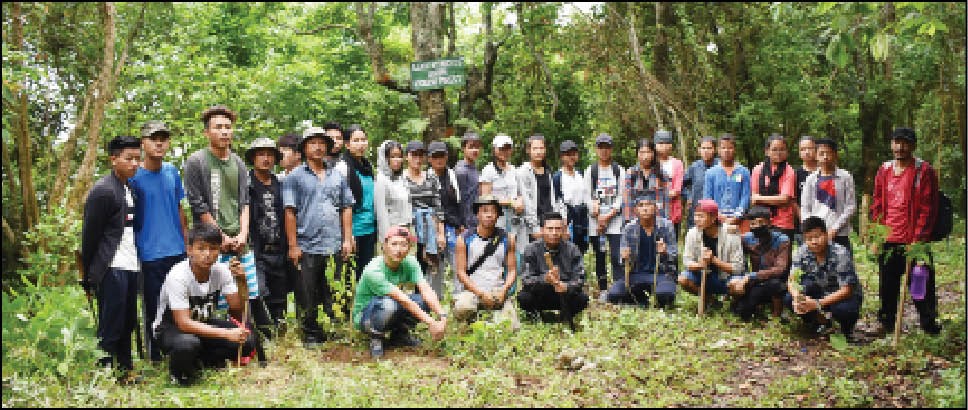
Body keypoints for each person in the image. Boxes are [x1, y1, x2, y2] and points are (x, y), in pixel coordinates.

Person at [152, 223, 257, 386]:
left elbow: (238, 311)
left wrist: (241, 281)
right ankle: (179, 375)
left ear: (219, 250)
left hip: (202, 323)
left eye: (213, 248)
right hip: (171, 328)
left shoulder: (221, 271)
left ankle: (202, 362)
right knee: (188, 344)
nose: (207, 254)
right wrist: (226, 334)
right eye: (201, 249)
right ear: (189, 250)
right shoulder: (178, 275)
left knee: (247, 340)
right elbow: (184, 323)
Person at [283, 129, 355, 347]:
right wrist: (293, 245)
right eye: (312, 143)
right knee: (307, 291)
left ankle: (332, 329)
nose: (318, 147)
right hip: (307, 244)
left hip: (333, 243)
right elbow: (289, 212)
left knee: (332, 288)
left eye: (322, 143)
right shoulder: (295, 177)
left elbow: (346, 206)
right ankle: (310, 334)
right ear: (304, 148)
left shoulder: (337, 175)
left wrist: (347, 239)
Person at [182, 105, 257, 315]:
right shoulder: (196, 162)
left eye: (228, 127)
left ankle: (245, 336)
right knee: (215, 303)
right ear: (206, 132)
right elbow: (198, 204)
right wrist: (220, 237)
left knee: (245, 298)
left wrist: (243, 234)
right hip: (211, 244)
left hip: (240, 243)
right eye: (218, 127)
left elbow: (245, 202)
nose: (224, 132)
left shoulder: (238, 162)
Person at [81, 136, 142, 383]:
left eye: (137, 159)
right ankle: (104, 374)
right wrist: (89, 275)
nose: (134, 164)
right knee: (111, 323)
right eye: (129, 159)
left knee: (128, 321)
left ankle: (125, 370)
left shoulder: (129, 188)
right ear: (113, 159)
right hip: (111, 265)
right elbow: (89, 236)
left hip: (130, 264)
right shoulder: (103, 191)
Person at [870, 127, 942, 335]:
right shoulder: (884, 170)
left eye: (905, 143)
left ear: (913, 145)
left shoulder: (923, 171)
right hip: (889, 239)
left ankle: (929, 325)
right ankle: (886, 323)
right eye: (897, 142)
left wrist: (918, 240)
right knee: (887, 285)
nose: (900, 147)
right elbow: (877, 204)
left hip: (915, 240)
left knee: (921, 283)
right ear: (891, 144)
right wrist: (877, 236)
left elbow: (928, 208)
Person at [130, 121, 188, 363]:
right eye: (153, 139)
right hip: (149, 253)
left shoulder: (172, 172)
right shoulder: (134, 177)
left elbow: (179, 208)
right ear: (143, 143)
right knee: (153, 307)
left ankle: (180, 349)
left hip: (177, 250)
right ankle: (155, 356)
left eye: (163, 139)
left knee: (180, 303)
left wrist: (187, 243)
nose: (159, 143)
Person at [352, 226, 450, 359]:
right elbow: (404, 300)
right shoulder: (373, 270)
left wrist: (442, 316)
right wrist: (432, 323)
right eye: (394, 244)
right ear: (384, 246)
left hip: (392, 305)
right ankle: (376, 337)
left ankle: (399, 335)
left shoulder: (410, 262)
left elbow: (426, 290)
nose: (398, 249)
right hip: (366, 316)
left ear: (409, 248)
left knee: (423, 301)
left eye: (403, 245)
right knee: (389, 305)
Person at [786, 217, 862, 340]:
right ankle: (819, 322)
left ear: (826, 234)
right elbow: (791, 280)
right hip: (818, 290)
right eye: (809, 238)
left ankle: (846, 330)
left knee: (845, 310)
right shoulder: (801, 252)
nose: (814, 242)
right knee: (789, 298)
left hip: (840, 295)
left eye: (817, 236)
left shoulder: (840, 253)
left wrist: (817, 304)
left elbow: (847, 290)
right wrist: (797, 297)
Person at [452, 195, 519, 328]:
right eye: (485, 211)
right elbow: (461, 272)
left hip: (497, 291)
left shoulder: (507, 239)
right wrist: (480, 293)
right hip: (473, 290)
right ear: (477, 214)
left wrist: (504, 290)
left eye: (493, 211)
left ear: (498, 215)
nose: (489, 215)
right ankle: (471, 321)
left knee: (511, 327)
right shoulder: (464, 239)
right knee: (463, 308)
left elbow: (512, 270)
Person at [245, 137, 288, 336]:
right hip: (257, 249)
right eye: (261, 154)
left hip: (279, 248)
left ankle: (280, 334)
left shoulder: (281, 184)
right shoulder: (246, 185)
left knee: (279, 295)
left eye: (270, 154)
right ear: (253, 158)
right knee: (258, 292)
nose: (266, 158)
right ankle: (263, 334)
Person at [518, 211, 589, 327]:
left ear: (563, 230)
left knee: (582, 299)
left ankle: (566, 315)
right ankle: (536, 315)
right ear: (542, 230)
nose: (554, 233)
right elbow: (526, 279)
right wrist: (545, 279)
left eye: (558, 229)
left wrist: (566, 286)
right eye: (550, 229)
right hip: (541, 293)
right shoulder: (531, 249)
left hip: (563, 293)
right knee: (524, 298)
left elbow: (580, 278)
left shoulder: (572, 249)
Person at [612, 192, 678, 308]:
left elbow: (674, 256)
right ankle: (642, 300)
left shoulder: (666, 226)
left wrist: (665, 252)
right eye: (641, 205)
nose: (645, 209)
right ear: (635, 210)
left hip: (661, 275)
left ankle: (645, 299)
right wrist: (625, 257)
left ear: (656, 208)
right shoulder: (629, 228)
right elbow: (622, 262)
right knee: (614, 294)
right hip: (636, 275)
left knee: (665, 294)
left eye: (648, 205)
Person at [678, 199, 744, 310]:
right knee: (683, 279)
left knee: (738, 287)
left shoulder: (731, 234)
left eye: (701, 216)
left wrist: (714, 260)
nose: (696, 220)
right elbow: (687, 261)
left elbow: (738, 268)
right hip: (704, 276)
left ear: (713, 218)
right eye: (695, 216)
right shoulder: (692, 233)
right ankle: (710, 300)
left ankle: (734, 303)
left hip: (726, 278)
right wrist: (700, 265)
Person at [730, 206, 790, 321]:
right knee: (742, 311)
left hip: (775, 282)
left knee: (776, 284)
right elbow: (737, 255)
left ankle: (777, 313)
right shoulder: (747, 239)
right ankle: (756, 305)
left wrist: (751, 276)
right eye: (753, 224)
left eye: (761, 222)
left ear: (769, 223)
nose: (757, 226)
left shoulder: (782, 240)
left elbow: (780, 269)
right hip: (756, 283)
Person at [404, 140, 447, 296]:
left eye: (420, 155)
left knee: (429, 262)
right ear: (407, 157)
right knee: (413, 261)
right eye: (414, 155)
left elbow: (438, 206)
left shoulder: (431, 177)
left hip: (430, 227)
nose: (417, 159)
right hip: (412, 227)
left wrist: (441, 233)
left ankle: (429, 298)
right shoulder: (401, 179)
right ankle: (412, 298)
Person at [585, 133, 625, 296]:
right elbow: (587, 195)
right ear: (596, 149)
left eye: (607, 147)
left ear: (611, 149)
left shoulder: (618, 170)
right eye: (600, 147)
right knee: (600, 255)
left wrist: (609, 215)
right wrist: (597, 215)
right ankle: (602, 289)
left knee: (616, 255)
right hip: (596, 222)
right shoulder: (591, 171)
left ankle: (618, 288)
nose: (604, 150)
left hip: (614, 220)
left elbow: (621, 195)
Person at [800, 138, 856, 255]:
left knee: (843, 263)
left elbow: (850, 207)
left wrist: (834, 229)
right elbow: (805, 207)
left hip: (840, 233)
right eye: (821, 153)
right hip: (816, 235)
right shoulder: (811, 179)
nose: (825, 157)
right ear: (816, 155)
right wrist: (811, 229)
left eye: (829, 153)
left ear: (835, 155)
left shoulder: (845, 177)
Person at [334, 125, 376, 282]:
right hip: (353, 231)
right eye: (356, 140)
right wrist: (347, 235)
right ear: (347, 144)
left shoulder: (367, 167)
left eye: (363, 140)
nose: (360, 144)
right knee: (350, 277)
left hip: (369, 229)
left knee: (367, 276)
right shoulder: (342, 167)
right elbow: (339, 203)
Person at [480, 134, 526, 254]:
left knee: (516, 252)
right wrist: (510, 202)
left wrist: (520, 201)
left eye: (507, 148)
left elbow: (519, 192)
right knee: (499, 251)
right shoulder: (488, 170)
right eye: (501, 148)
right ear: (494, 149)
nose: (504, 152)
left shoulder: (514, 170)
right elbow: (485, 197)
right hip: (497, 217)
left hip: (514, 218)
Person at [751, 134, 797, 252]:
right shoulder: (758, 170)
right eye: (774, 149)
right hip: (761, 220)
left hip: (783, 222)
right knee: (761, 256)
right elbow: (753, 198)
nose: (778, 153)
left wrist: (760, 198)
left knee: (782, 257)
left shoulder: (789, 171)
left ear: (787, 152)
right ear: (767, 151)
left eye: (782, 149)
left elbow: (784, 199)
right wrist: (761, 198)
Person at [428, 140, 463, 283]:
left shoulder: (453, 176)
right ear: (429, 159)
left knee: (458, 265)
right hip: (434, 227)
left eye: (441, 156)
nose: (439, 160)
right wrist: (438, 230)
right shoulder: (426, 178)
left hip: (454, 227)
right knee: (436, 267)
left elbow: (459, 201)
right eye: (435, 156)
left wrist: (460, 224)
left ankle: (460, 295)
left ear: (446, 156)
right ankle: (435, 294)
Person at [518, 135, 564, 244]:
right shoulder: (523, 172)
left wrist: (557, 221)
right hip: (533, 226)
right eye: (535, 148)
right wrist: (534, 227)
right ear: (528, 150)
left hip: (549, 224)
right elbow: (526, 201)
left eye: (541, 148)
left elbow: (552, 199)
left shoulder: (548, 171)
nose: (538, 152)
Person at [703, 133, 751, 231]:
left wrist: (736, 216)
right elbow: (707, 198)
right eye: (723, 148)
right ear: (718, 150)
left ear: (735, 149)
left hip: (739, 222)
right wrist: (719, 216)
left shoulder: (744, 171)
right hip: (716, 221)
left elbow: (745, 197)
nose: (726, 151)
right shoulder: (710, 173)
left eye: (730, 148)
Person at [552, 139, 589, 255]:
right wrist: (562, 226)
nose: (571, 157)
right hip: (567, 219)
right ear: (562, 157)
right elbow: (556, 202)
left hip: (582, 218)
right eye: (568, 154)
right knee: (567, 252)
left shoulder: (580, 174)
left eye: (574, 154)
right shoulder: (557, 177)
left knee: (581, 251)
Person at [623, 138, 670, 223]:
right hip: (636, 221)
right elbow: (627, 201)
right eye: (642, 152)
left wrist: (665, 222)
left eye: (648, 152)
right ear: (637, 154)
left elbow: (665, 202)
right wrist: (629, 222)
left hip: (657, 221)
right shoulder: (631, 173)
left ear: (653, 153)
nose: (645, 156)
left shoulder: (661, 174)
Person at [374, 140, 413, 241]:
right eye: (392, 156)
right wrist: (387, 239)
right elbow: (381, 213)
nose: (397, 160)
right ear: (385, 158)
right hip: (392, 232)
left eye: (399, 156)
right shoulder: (381, 179)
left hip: (406, 230)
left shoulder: (402, 178)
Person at [683, 136, 719, 228]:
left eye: (709, 148)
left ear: (715, 150)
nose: (706, 151)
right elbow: (683, 185)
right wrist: (689, 196)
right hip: (696, 210)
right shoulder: (694, 167)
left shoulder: (721, 166)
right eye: (703, 148)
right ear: (699, 150)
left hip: (716, 211)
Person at [654, 130, 685, 235]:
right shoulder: (651, 163)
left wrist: (659, 195)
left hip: (673, 212)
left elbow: (677, 189)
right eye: (661, 143)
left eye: (667, 143)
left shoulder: (677, 164)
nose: (664, 146)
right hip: (653, 213)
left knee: (672, 241)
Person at [455, 132, 483, 232]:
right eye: (471, 147)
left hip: (476, 220)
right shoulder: (461, 171)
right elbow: (460, 200)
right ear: (463, 148)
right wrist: (462, 224)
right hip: (467, 224)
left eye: (477, 147)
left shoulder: (474, 167)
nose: (475, 150)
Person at [793, 136, 818, 245]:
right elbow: (793, 200)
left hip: (826, 223)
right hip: (803, 225)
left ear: (816, 149)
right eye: (803, 149)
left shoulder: (825, 172)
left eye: (810, 148)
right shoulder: (795, 174)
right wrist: (804, 219)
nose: (807, 152)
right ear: (799, 153)